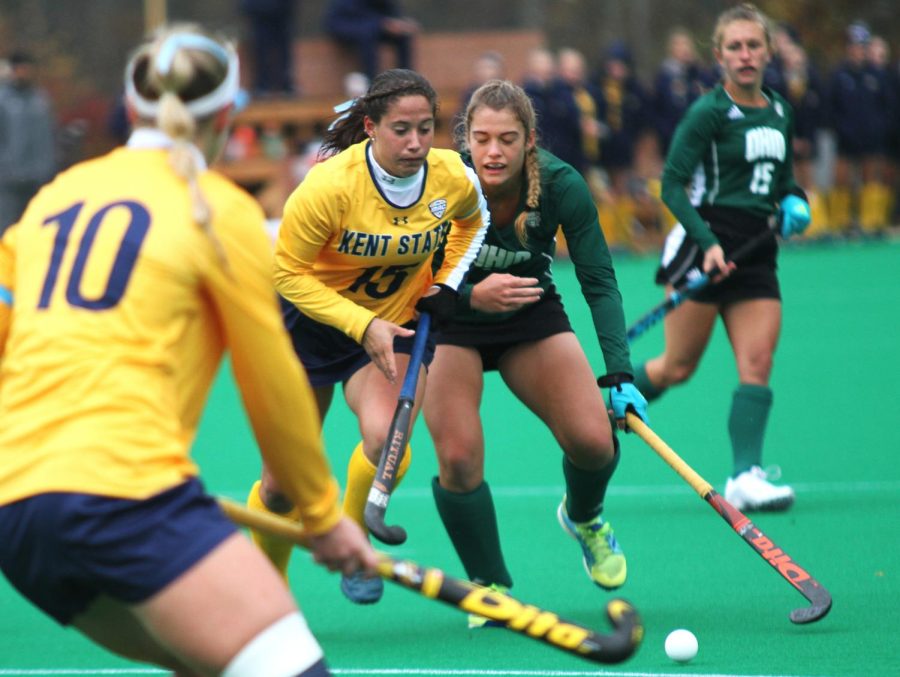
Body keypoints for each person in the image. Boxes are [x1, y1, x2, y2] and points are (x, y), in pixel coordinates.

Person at [0, 24, 376, 677]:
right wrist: (322, 513)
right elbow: (273, 381)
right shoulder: (217, 209)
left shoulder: (51, 199)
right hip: (123, 495)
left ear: (133, 106)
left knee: (210, 664)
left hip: (16, 511)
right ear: (227, 116)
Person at [246, 68, 490, 606]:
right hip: (308, 328)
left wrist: (447, 282)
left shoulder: (452, 177)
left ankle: (352, 541)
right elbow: (286, 275)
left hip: (397, 322)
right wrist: (360, 324)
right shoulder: (330, 188)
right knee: (280, 487)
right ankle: (266, 589)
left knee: (388, 445)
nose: (416, 142)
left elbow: (475, 222)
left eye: (426, 128)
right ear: (370, 126)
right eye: (401, 129)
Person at [421, 79, 648, 628]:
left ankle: (584, 516)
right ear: (465, 140)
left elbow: (598, 279)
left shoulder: (562, 184)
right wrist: (473, 293)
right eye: (481, 139)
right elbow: (409, 277)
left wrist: (618, 371)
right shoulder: (438, 182)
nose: (493, 151)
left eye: (507, 139)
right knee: (457, 457)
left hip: (529, 316)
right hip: (451, 321)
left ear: (529, 141)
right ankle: (489, 585)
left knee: (595, 443)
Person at [631, 3, 811, 513]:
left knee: (757, 362)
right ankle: (599, 421)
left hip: (756, 252)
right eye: (735, 46)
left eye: (754, 45)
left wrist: (794, 199)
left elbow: (782, 176)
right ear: (719, 55)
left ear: (769, 51)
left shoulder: (779, 110)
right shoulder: (708, 112)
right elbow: (670, 185)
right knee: (676, 367)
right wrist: (707, 243)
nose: (746, 54)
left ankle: (745, 476)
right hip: (703, 247)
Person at [0, 50, 57, 234]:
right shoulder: (3, 99)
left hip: (38, 177)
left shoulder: (39, 99)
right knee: (7, 228)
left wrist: (49, 166)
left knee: (36, 227)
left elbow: (49, 135)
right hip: (9, 181)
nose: (24, 72)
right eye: (19, 68)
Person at [323, 0, 419, 82]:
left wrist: (403, 23)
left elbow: (392, 16)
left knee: (403, 36)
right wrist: (382, 23)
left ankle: (406, 79)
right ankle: (371, 81)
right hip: (346, 25)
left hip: (375, 28)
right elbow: (354, 15)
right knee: (367, 34)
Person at [239, 0, 299, 96]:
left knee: (284, 49)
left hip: (283, 8)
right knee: (260, 49)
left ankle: (286, 84)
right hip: (258, 10)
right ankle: (262, 85)